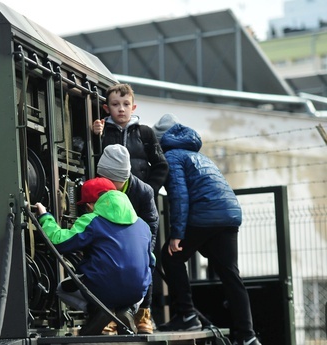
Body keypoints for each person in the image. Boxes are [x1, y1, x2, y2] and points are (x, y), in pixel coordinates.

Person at [152, 114, 262, 345]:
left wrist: (177, 235)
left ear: (162, 140)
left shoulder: (172, 157)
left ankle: (187, 315)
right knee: (230, 275)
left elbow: (179, 198)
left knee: (170, 256)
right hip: (228, 215)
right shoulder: (199, 156)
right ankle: (248, 336)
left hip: (206, 215)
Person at [35, 177, 152, 335]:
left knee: (62, 289)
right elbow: (151, 261)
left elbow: (59, 242)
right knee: (141, 280)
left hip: (102, 290)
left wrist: (44, 216)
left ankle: (99, 311)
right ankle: (127, 310)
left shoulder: (92, 221)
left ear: (90, 204)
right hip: (136, 292)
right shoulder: (142, 225)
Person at [96, 144, 158, 334]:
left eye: (113, 180)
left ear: (124, 177)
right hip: (110, 242)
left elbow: (152, 224)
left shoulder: (143, 191)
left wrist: (144, 251)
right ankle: (110, 316)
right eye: (104, 179)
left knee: (146, 265)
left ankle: (143, 315)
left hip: (137, 242)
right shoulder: (99, 188)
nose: (108, 185)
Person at [92, 83, 168, 201]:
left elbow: (161, 166)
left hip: (139, 200)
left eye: (126, 104)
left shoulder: (145, 132)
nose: (121, 109)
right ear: (107, 108)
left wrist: (149, 191)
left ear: (133, 108)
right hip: (107, 198)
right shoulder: (102, 131)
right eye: (115, 104)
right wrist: (96, 136)